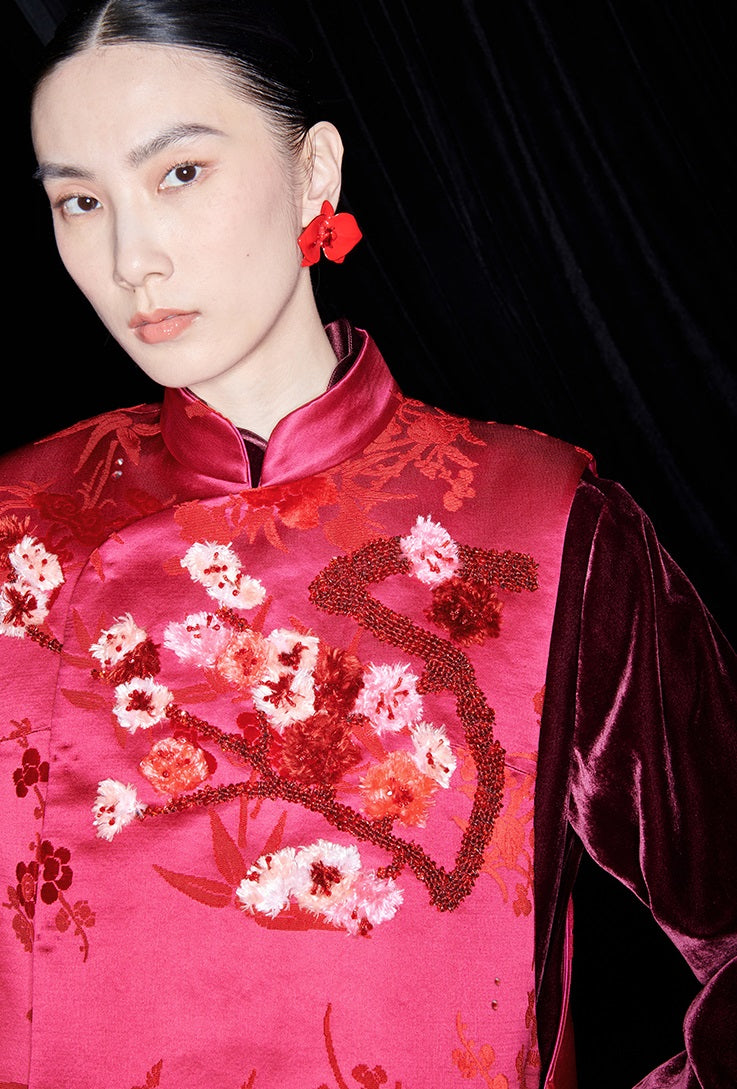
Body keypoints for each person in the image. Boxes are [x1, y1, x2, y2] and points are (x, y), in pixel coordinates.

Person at [1, 2, 735, 1087]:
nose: (129, 257)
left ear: (313, 174)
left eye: (180, 174)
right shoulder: (20, 524)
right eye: (80, 199)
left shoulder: (541, 525)